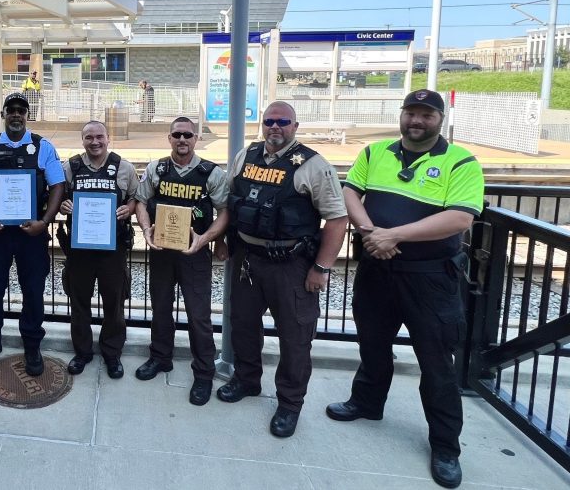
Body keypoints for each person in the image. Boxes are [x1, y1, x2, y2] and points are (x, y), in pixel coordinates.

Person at [326, 89, 483, 489]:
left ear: (439, 119)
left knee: (436, 363)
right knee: (372, 344)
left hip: (430, 278)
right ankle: (367, 402)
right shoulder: (374, 152)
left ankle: (445, 446)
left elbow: (460, 218)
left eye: (425, 115)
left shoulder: (461, 161)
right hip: (377, 270)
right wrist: (369, 233)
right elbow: (350, 193)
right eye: (411, 113)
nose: (416, 121)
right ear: (402, 115)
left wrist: (392, 234)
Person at [217, 101, 348, 438]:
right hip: (248, 259)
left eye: (283, 122)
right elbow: (232, 203)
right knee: (243, 326)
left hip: (291, 265)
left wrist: (321, 268)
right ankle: (246, 380)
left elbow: (337, 218)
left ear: (295, 125)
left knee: (295, 338)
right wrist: (219, 239)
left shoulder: (313, 165)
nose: (275, 127)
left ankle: (290, 404)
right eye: (269, 121)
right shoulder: (247, 156)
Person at [0, 92, 65, 375]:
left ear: (27, 115)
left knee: (33, 291)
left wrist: (45, 222)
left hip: (30, 234)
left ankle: (32, 345)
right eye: (11, 110)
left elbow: (57, 185)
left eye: (22, 110)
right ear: (3, 115)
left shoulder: (43, 146)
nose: (17, 115)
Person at [134, 117, 230, 405]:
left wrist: (208, 239)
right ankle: (160, 357)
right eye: (177, 134)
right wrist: (146, 228)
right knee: (161, 308)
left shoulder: (210, 173)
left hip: (194, 254)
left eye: (187, 134)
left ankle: (204, 373)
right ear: (169, 138)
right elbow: (140, 201)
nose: (182, 139)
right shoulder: (157, 168)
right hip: (162, 252)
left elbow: (225, 211)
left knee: (198, 315)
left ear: (196, 138)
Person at [58, 121, 138, 379]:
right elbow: (57, 196)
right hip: (79, 250)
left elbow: (138, 197)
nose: (95, 142)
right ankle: (82, 352)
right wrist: (63, 205)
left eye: (99, 137)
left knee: (114, 303)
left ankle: (112, 353)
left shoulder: (124, 167)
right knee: (79, 302)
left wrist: (131, 209)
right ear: (82, 140)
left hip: (112, 249)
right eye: (89, 137)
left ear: (108, 138)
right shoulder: (70, 167)